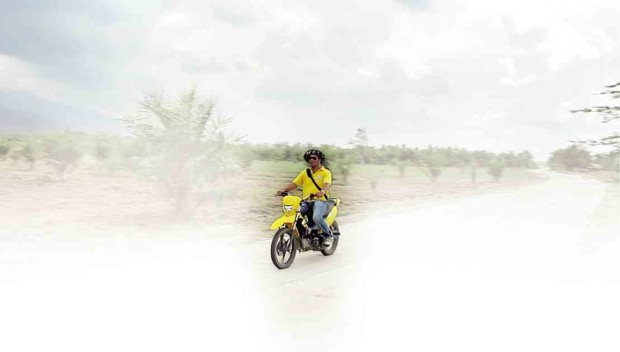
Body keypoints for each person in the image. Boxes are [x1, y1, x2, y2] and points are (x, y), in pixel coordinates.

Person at [276, 149, 334, 245]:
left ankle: (328, 235)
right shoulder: (305, 173)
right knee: (292, 213)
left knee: (317, 217)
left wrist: (322, 191)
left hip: (320, 201)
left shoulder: (325, 172)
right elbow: (294, 184)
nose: (311, 160)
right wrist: (284, 191)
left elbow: (327, 184)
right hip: (306, 201)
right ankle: (303, 234)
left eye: (314, 158)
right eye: (309, 158)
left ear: (319, 159)